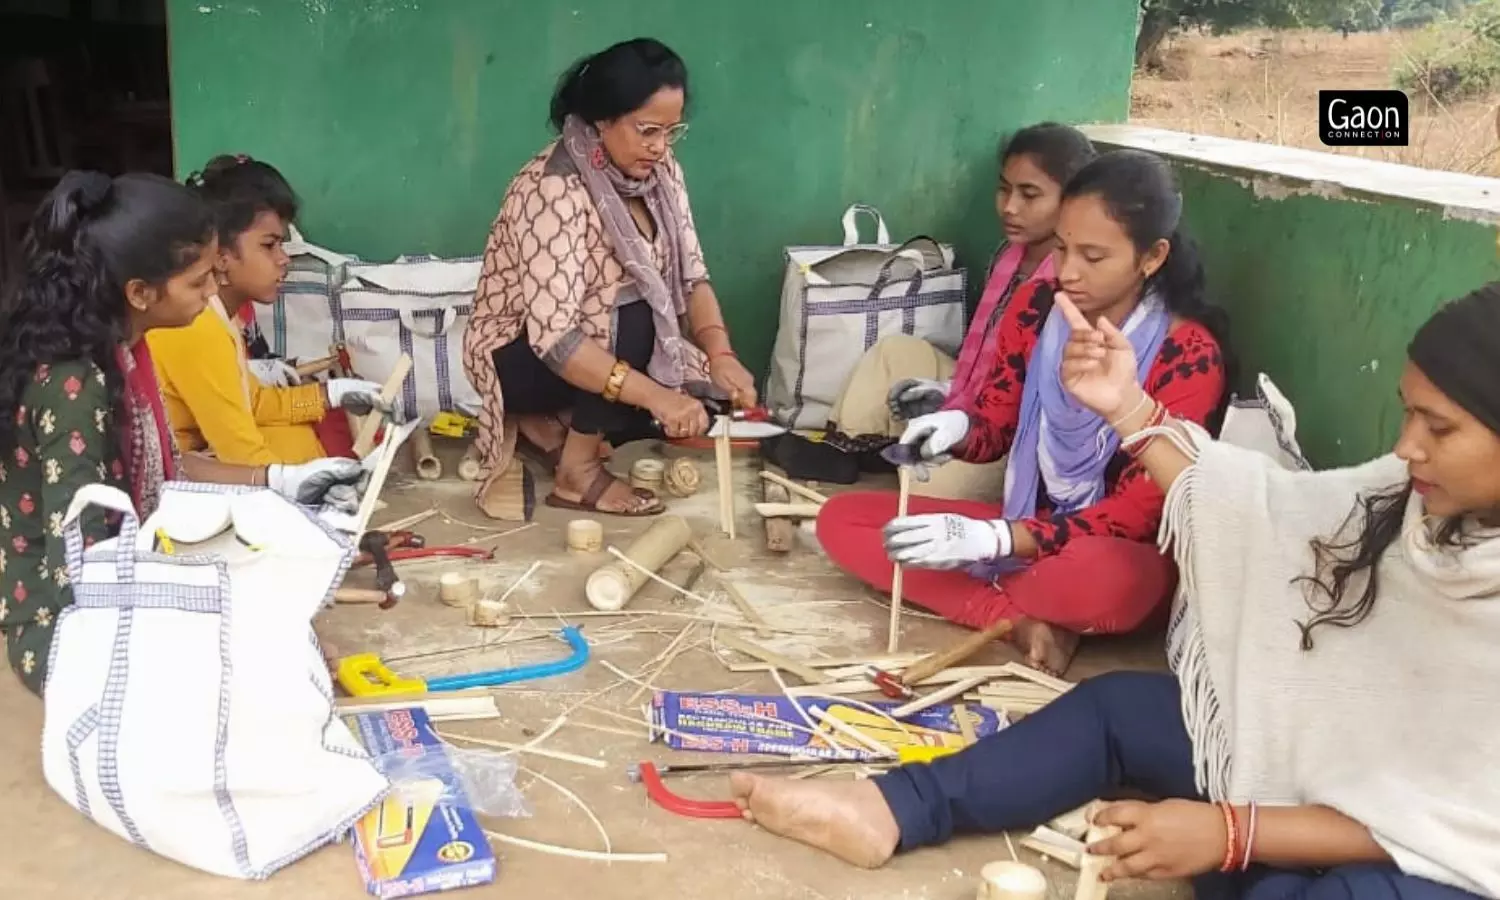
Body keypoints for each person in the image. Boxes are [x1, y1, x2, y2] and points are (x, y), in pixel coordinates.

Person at [730, 284, 1500, 900]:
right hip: (1322, 774)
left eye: (1438, 427)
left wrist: (1230, 833)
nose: (1405, 447)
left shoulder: (1190, 346)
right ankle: (889, 809)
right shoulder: (1405, 496)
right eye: (1407, 414)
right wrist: (1125, 408)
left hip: (1441, 856)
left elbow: (1461, 823)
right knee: (1119, 711)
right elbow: (1264, 514)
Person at [816, 150, 1231, 675]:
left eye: (1094, 257)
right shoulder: (1039, 306)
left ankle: (1005, 598)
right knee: (843, 520)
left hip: (1116, 554)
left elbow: (1142, 512)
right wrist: (956, 428)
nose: (1069, 272)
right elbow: (997, 423)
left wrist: (994, 541)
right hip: (1029, 522)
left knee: (1104, 582)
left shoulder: (1188, 353)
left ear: (1152, 258)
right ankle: (1018, 620)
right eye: (1061, 248)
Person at [0, 172, 369, 695]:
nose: (214, 290)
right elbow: (79, 569)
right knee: (268, 663)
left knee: (280, 624)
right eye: (198, 282)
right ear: (140, 293)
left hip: (115, 578)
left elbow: (172, 467)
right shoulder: (75, 384)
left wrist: (285, 482)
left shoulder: (128, 352)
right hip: (65, 631)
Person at [462, 38, 757, 520]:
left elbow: (691, 278)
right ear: (603, 120)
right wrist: (658, 396)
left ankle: (546, 427)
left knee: (694, 395)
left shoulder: (661, 173)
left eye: (671, 132)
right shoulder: (553, 189)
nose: (660, 147)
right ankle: (575, 473)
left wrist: (722, 355)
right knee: (634, 313)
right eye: (646, 131)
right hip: (516, 355)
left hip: (594, 345)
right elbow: (554, 337)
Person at [825, 123, 1097, 502]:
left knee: (928, 484)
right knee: (894, 352)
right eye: (1004, 189)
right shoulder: (1008, 254)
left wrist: (966, 415)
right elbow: (985, 356)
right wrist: (947, 390)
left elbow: (1038, 396)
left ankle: (899, 454)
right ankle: (843, 452)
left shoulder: (1071, 279)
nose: (1010, 207)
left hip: (1020, 430)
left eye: (1029, 195)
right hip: (977, 391)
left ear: (1071, 201)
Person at [147, 155, 376, 466]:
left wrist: (333, 394)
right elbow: (241, 454)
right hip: (175, 469)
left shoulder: (222, 316)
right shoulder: (198, 325)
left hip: (198, 450)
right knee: (299, 449)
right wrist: (297, 484)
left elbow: (253, 401)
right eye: (269, 245)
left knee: (300, 440)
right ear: (221, 255)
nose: (284, 259)